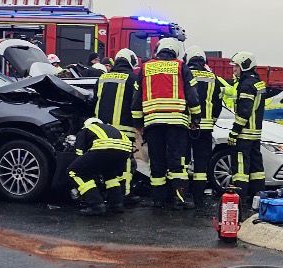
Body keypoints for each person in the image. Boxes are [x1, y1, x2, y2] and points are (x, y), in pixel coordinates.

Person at [131, 38, 201, 210]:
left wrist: (138, 123)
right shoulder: (181, 67)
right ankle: (178, 199)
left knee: (157, 161)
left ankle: (158, 200)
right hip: (176, 123)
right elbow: (192, 96)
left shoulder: (145, 68)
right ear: (175, 51)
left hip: (153, 123)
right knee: (177, 161)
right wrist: (196, 119)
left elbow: (136, 100)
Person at [93, 49, 143, 204]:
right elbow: (136, 104)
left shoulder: (103, 78)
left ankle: (105, 192)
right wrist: (139, 126)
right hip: (124, 129)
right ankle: (125, 194)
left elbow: (94, 100)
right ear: (130, 62)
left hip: (101, 129)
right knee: (125, 161)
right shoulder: (133, 79)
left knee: (103, 161)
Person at [68, 117, 133, 215]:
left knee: (74, 172)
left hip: (104, 148)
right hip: (125, 150)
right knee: (111, 175)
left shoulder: (85, 130)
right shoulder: (110, 128)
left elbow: (79, 153)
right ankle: (117, 204)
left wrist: (80, 165)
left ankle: (96, 204)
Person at [228, 51, 267, 213]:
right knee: (256, 166)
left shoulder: (245, 85)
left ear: (244, 65)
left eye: (236, 66)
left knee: (241, 168)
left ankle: (240, 198)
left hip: (244, 133)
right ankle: (257, 196)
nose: (234, 69)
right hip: (255, 132)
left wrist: (234, 132)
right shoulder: (257, 82)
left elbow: (244, 111)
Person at [185, 46, 222, 211]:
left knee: (183, 162)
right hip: (205, 127)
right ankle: (198, 198)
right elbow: (218, 104)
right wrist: (212, 121)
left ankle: (182, 195)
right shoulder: (212, 77)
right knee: (201, 164)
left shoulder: (184, 74)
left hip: (185, 125)